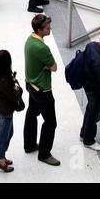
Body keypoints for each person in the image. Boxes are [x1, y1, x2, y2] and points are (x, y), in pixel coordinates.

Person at [23, 13, 60, 165]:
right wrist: (47, 66)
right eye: (46, 27)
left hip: (31, 85)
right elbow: (54, 67)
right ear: (39, 29)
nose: (49, 28)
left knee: (32, 114)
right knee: (50, 122)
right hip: (43, 90)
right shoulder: (42, 48)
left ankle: (30, 144)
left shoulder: (30, 40)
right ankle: (44, 154)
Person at [0, 49, 23, 173]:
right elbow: (14, 95)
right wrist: (17, 89)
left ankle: (1, 156)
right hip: (4, 112)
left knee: (7, 134)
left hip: (4, 111)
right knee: (3, 136)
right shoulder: (4, 80)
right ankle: (0, 160)